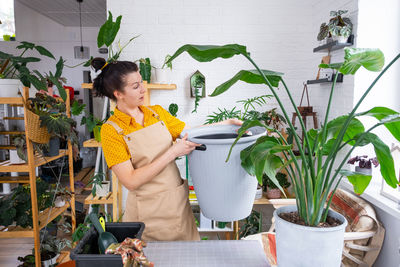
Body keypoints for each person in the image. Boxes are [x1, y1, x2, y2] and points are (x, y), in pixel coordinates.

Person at [91, 58, 242, 241]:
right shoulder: (111, 130)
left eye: (142, 83)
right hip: (146, 216)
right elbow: (130, 180)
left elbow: (189, 134)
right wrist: (172, 152)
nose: (143, 89)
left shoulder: (156, 113)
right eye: (136, 86)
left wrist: (227, 124)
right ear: (119, 94)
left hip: (177, 207)